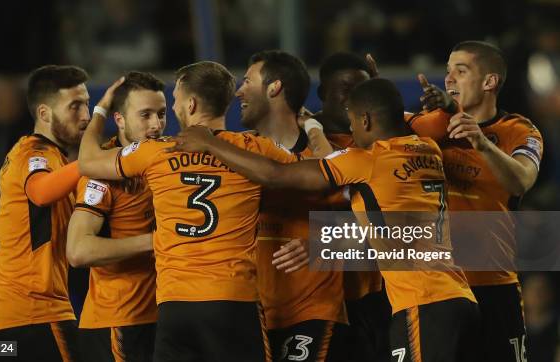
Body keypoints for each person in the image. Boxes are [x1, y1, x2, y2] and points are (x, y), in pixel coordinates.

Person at [171, 78, 481, 362]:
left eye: (353, 123)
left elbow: (277, 175)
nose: (352, 133)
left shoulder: (367, 160)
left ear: (366, 120)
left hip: (423, 304)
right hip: (461, 297)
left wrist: (211, 143)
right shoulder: (428, 149)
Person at [78, 61, 304, 362]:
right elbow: (321, 176)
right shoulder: (255, 149)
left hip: (175, 306)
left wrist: (101, 110)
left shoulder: (155, 152)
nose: (172, 111)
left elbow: (88, 160)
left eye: (174, 102)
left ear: (192, 103)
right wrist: (312, 129)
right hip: (232, 301)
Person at [413, 40, 544, 362]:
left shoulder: (518, 130)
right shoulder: (428, 128)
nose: (449, 79)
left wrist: (481, 143)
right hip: (437, 286)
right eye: (447, 71)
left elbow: (522, 180)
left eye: (461, 70)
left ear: (489, 82)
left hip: (493, 283)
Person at [237, 49, 347, 361]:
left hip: (311, 311)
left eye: (247, 81)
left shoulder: (332, 157)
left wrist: (322, 243)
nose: (238, 90)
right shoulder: (237, 153)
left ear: (274, 88)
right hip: (249, 314)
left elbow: (378, 226)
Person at [0, 65, 90, 361]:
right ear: (44, 114)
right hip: (35, 318)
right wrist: (88, 163)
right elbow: (40, 192)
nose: (86, 116)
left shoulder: (37, 155)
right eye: (75, 106)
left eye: (87, 104)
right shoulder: (35, 153)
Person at [66, 71, 165, 362]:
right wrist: (157, 241)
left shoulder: (165, 159)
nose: (156, 125)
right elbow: (78, 251)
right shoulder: (101, 175)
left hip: (163, 316)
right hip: (119, 322)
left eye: (161, 114)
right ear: (119, 119)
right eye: (145, 115)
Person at [315, 52, 392, 361]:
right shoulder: (300, 141)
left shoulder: (386, 143)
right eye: (345, 88)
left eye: (361, 89)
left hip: (381, 296)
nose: (353, 97)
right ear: (322, 94)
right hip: (325, 299)